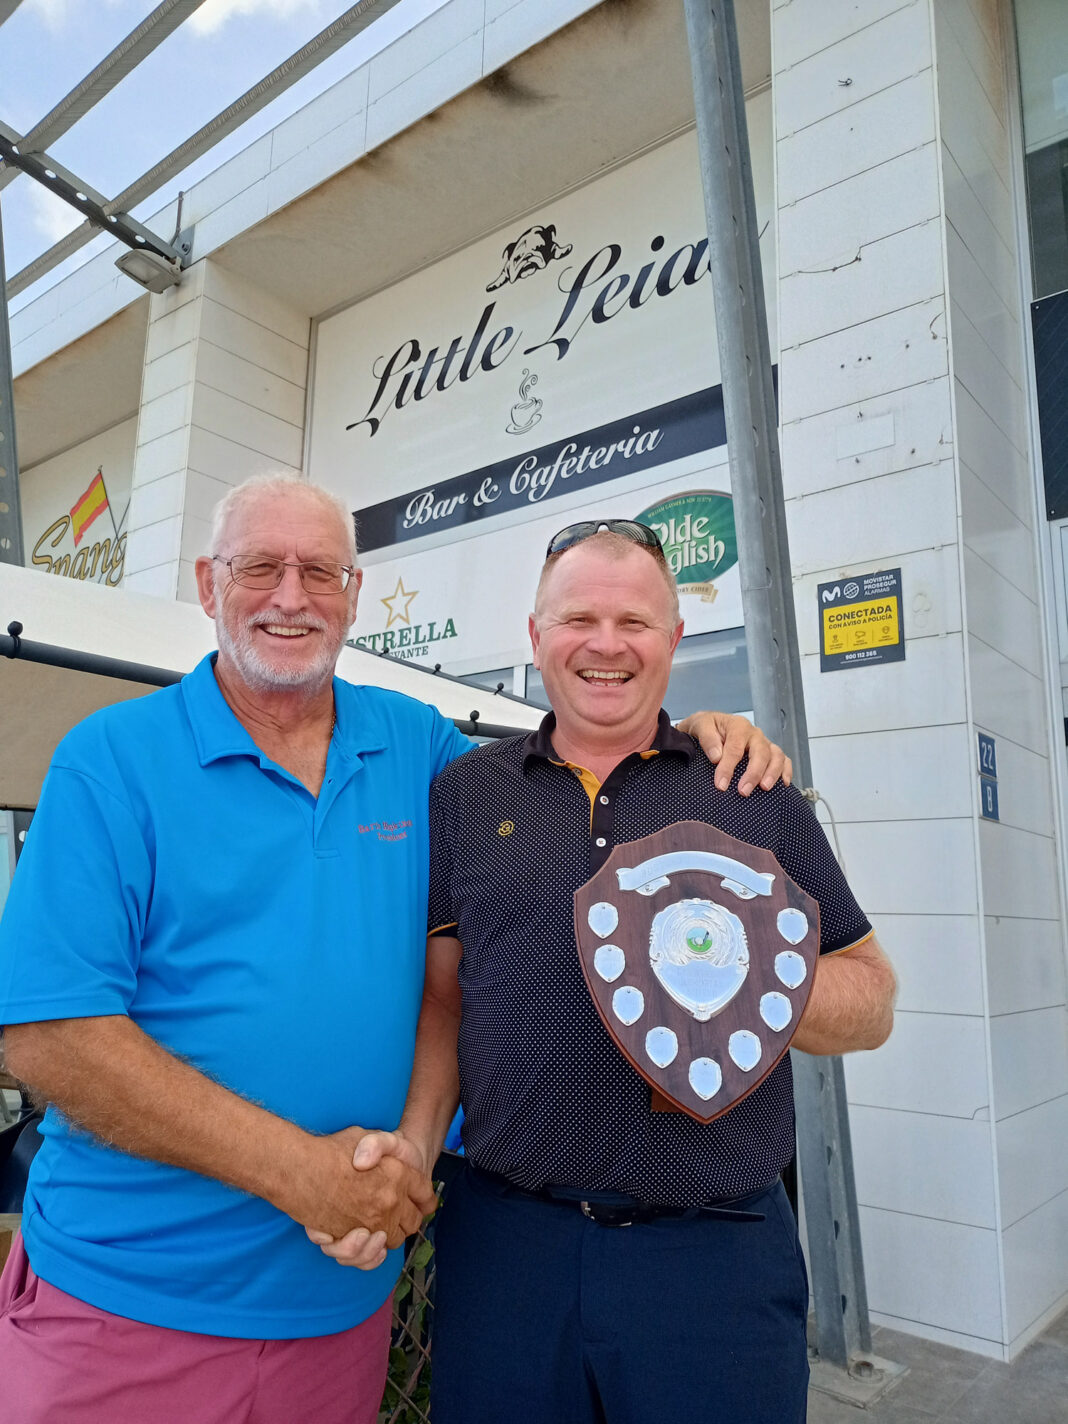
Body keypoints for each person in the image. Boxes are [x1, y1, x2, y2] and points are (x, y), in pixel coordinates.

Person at [0, 479, 786, 1424]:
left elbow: (567, 784)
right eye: (260, 568)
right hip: (127, 1306)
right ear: (209, 585)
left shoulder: (416, 747)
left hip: (344, 1305)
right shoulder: (112, 759)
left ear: (355, 591)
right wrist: (306, 1175)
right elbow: (48, 1033)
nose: (292, 597)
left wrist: (690, 739)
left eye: (319, 571)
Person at [328, 519, 896, 1424]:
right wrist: (411, 1156)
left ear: (673, 640)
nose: (605, 644)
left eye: (634, 622)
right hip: (507, 1253)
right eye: (578, 618)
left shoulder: (747, 788)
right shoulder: (466, 796)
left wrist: (742, 981)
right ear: (535, 637)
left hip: (714, 1262)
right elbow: (446, 1003)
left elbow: (872, 998)